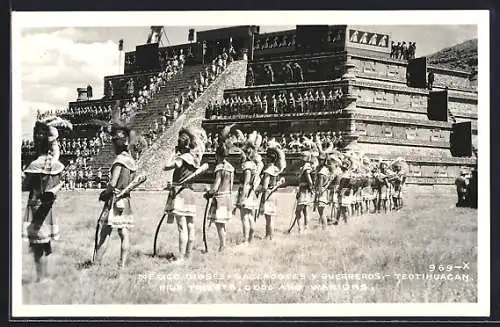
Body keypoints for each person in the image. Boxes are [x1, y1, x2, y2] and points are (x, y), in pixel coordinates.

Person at [22, 119, 68, 282]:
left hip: (36, 204)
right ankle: (43, 276)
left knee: (37, 245)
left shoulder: (35, 164)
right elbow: (55, 147)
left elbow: (25, 186)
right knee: (44, 241)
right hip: (48, 207)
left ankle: (41, 278)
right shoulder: (54, 163)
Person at [93, 123, 137, 268]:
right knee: (124, 233)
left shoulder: (119, 161)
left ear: (117, 145)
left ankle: (96, 264)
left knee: (105, 233)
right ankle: (122, 265)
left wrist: (105, 193)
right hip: (126, 201)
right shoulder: (132, 162)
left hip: (114, 200)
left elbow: (112, 183)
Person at [164, 127, 205, 263]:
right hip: (190, 193)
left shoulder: (182, 158)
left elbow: (166, 166)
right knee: (190, 225)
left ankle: (181, 257)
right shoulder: (195, 159)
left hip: (181, 193)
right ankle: (188, 255)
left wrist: (173, 154)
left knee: (182, 227)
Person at [205, 144, 234, 252]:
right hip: (227, 196)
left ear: (217, 155)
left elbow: (216, 185)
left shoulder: (219, 167)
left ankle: (223, 246)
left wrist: (209, 192)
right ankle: (223, 244)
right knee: (222, 223)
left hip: (220, 198)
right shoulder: (231, 167)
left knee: (219, 223)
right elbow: (230, 185)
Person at [235, 133, 262, 245]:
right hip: (252, 193)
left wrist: (241, 198)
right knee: (250, 217)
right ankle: (250, 240)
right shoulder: (255, 165)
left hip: (246, 192)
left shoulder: (247, 165)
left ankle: (246, 241)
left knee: (245, 217)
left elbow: (246, 182)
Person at [258, 143, 286, 240]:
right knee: (271, 217)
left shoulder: (268, 170)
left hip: (268, 195)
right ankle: (270, 236)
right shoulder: (276, 169)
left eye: (266, 157)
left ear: (269, 158)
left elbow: (265, 187)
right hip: (274, 194)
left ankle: (268, 236)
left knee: (268, 218)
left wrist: (257, 190)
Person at [292, 151, 314, 233]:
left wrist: (310, 190)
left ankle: (301, 229)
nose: (301, 159)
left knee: (298, 211)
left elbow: (310, 182)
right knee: (305, 211)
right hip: (304, 191)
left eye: (303, 157)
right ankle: (305, 228)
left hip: (304, 191)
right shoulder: (306, 166)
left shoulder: (306, 167)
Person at [313, 153, 330, 230]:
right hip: (323, 191)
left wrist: (317, 194)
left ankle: (324, 229)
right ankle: (324, 227)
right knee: (322, 212)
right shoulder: (325, 169)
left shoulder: (322, 172)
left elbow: (320, 184)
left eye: (322, 159)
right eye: (319, 159)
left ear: (325, 160)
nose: (320, 161)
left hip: (321, 192)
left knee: (321, 212)